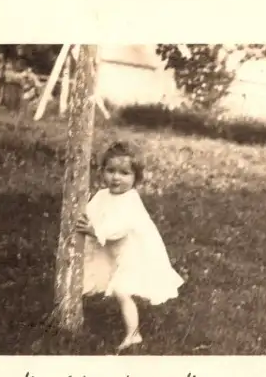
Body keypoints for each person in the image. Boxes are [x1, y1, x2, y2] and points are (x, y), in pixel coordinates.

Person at [75, 140, 185, 352]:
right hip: (115, 252)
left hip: (135, 254)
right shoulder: (102, 195)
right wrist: (86, 221)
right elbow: (91, 212)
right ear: (102, 171)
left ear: (136, 178)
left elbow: (119, 229)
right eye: (111, 171)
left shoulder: (130, 200)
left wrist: (94, 230)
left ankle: (133, 334)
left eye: (124, 173)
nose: (116, 178)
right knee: (100, 279)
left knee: (122, 290)